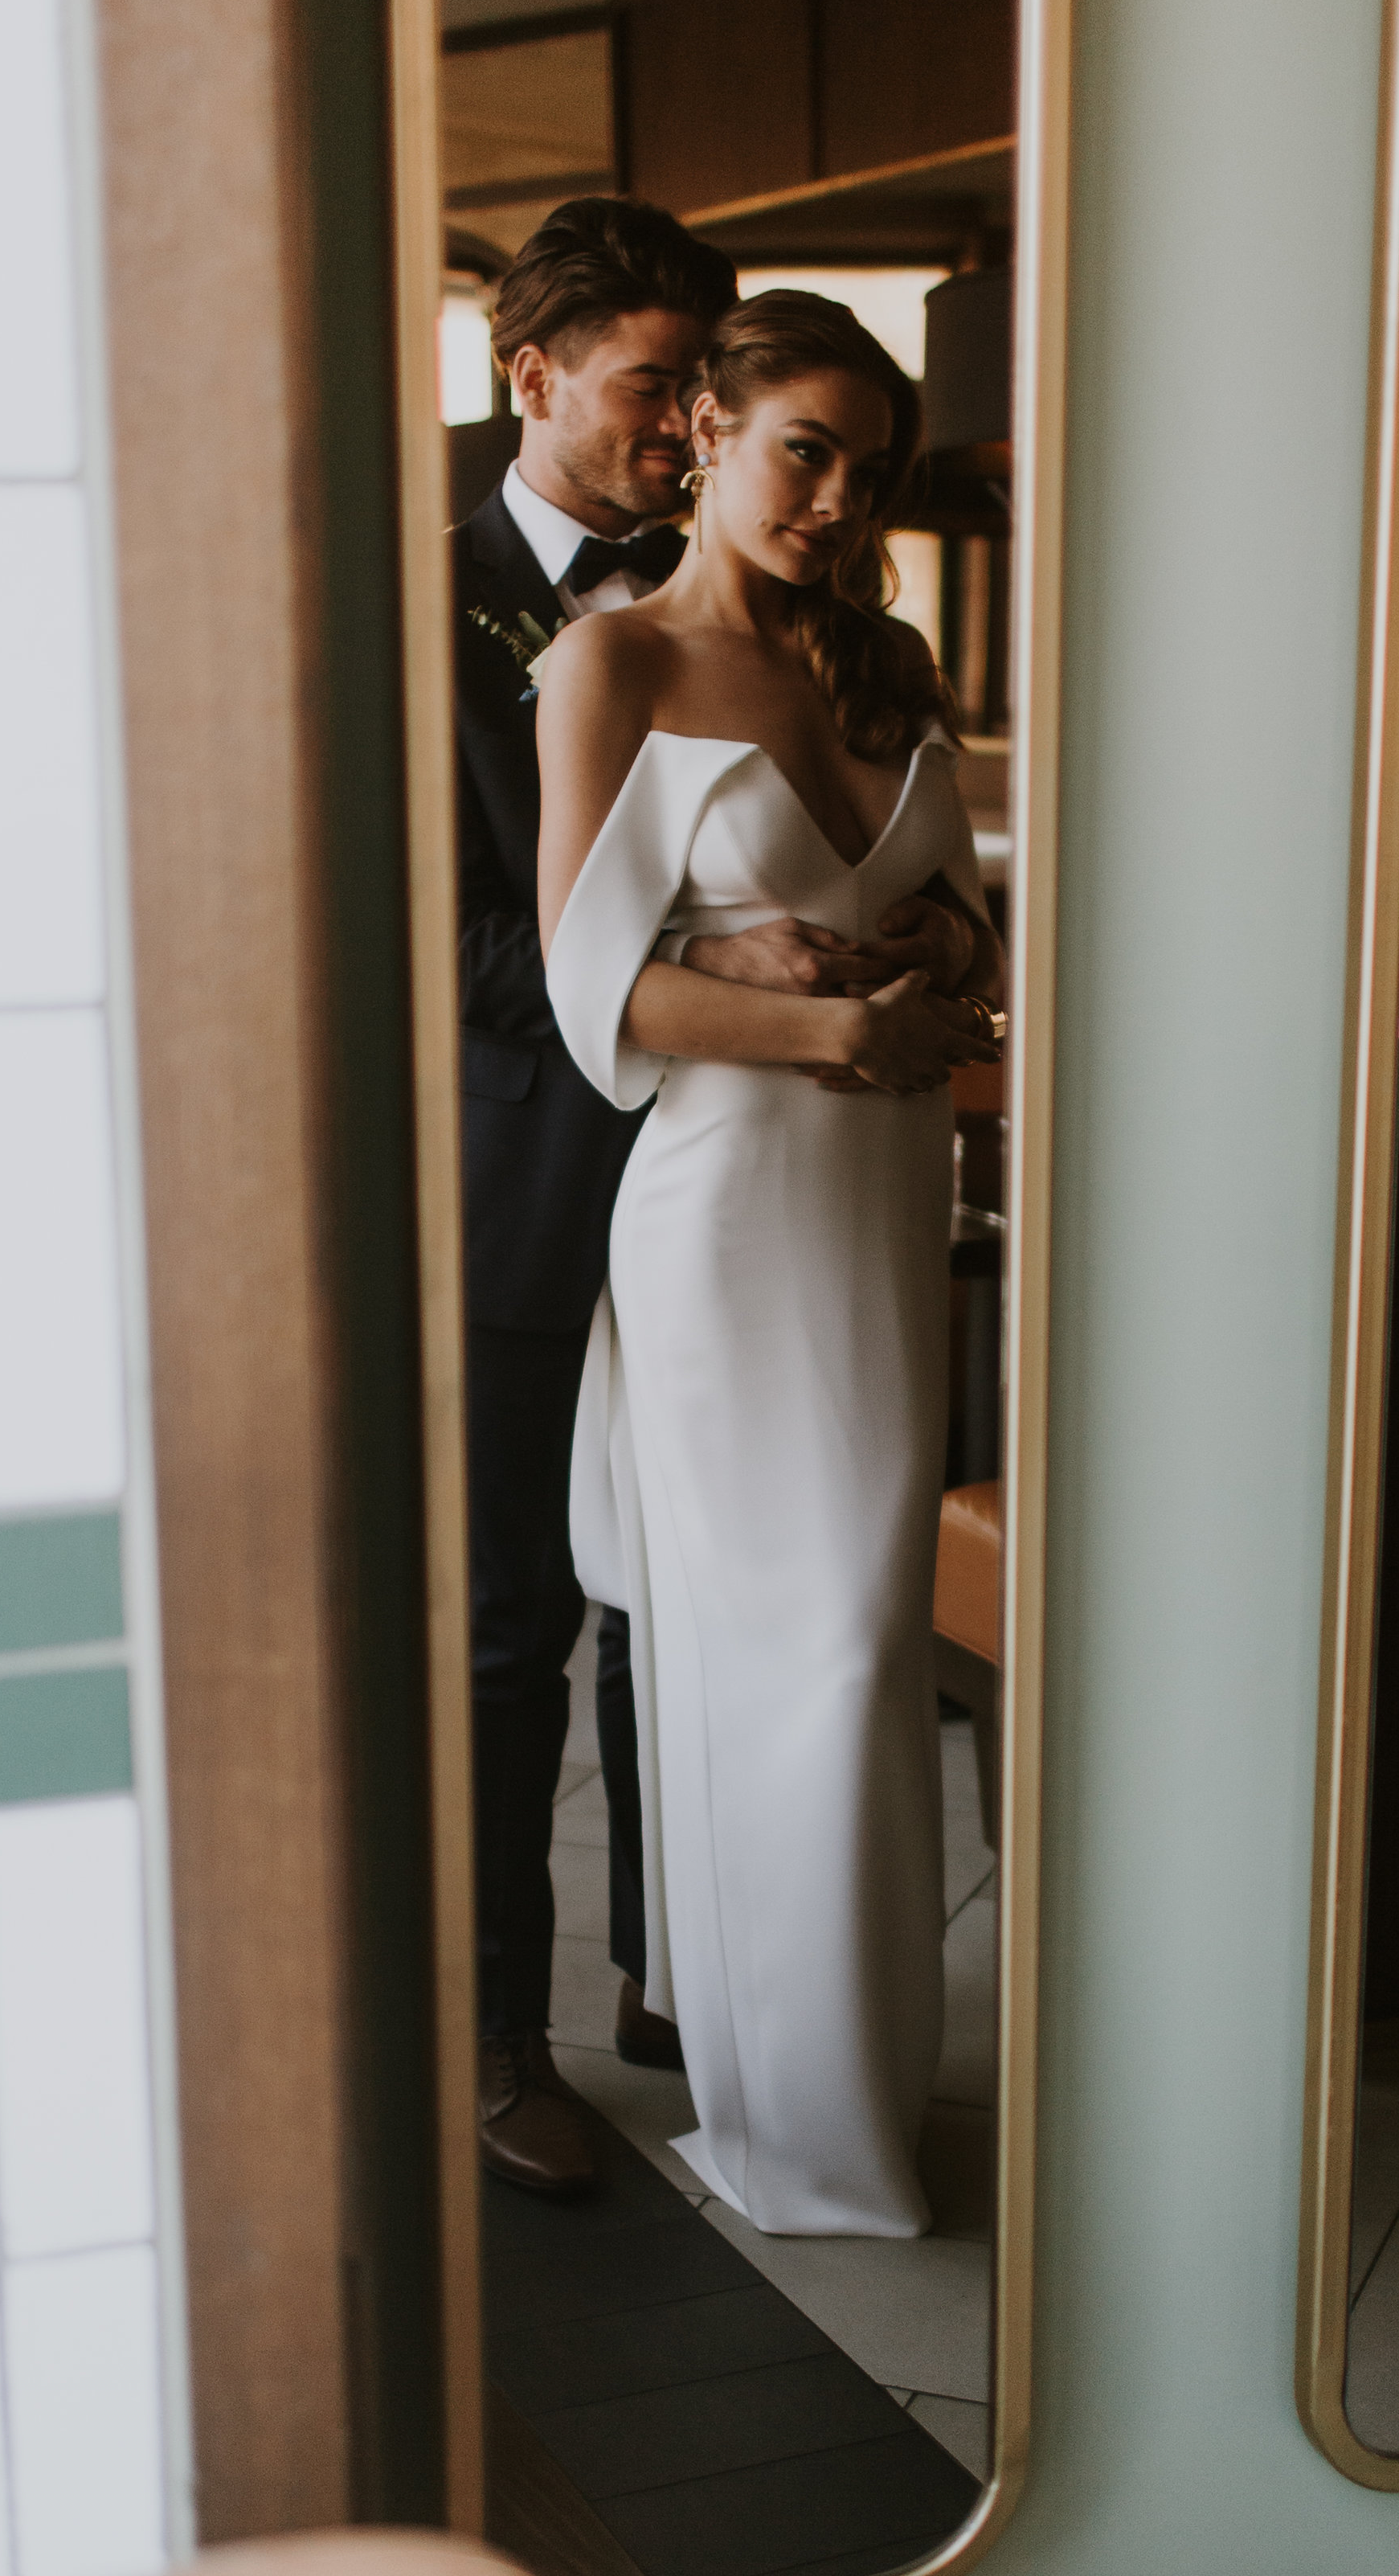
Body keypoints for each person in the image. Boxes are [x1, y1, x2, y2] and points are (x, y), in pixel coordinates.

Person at [537, 290, 1005, 2236]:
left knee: (872, 1642)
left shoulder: (884, 662)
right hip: (726, 1203)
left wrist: (934, 983)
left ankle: (861, 2090)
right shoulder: (612, 663)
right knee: (771, 1652)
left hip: (881, 1204)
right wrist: (828, 1029)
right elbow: (586, 989)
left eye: (863, 467)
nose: (829, 495)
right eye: (801, 446)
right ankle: (790, 2123)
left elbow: (971, 923)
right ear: (708, 434)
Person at [455, 199, 739, 2197]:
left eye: (700, 390)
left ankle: (674, 1971)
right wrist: (696, 996)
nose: (686, 431)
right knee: (509, 1632)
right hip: (523, 1184)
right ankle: (489, 2043)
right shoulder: (415, 594)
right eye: (652, 388)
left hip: (726, 1186)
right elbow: (430, 929)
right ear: (530, 374)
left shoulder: (734, 593)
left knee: (681, 1605)